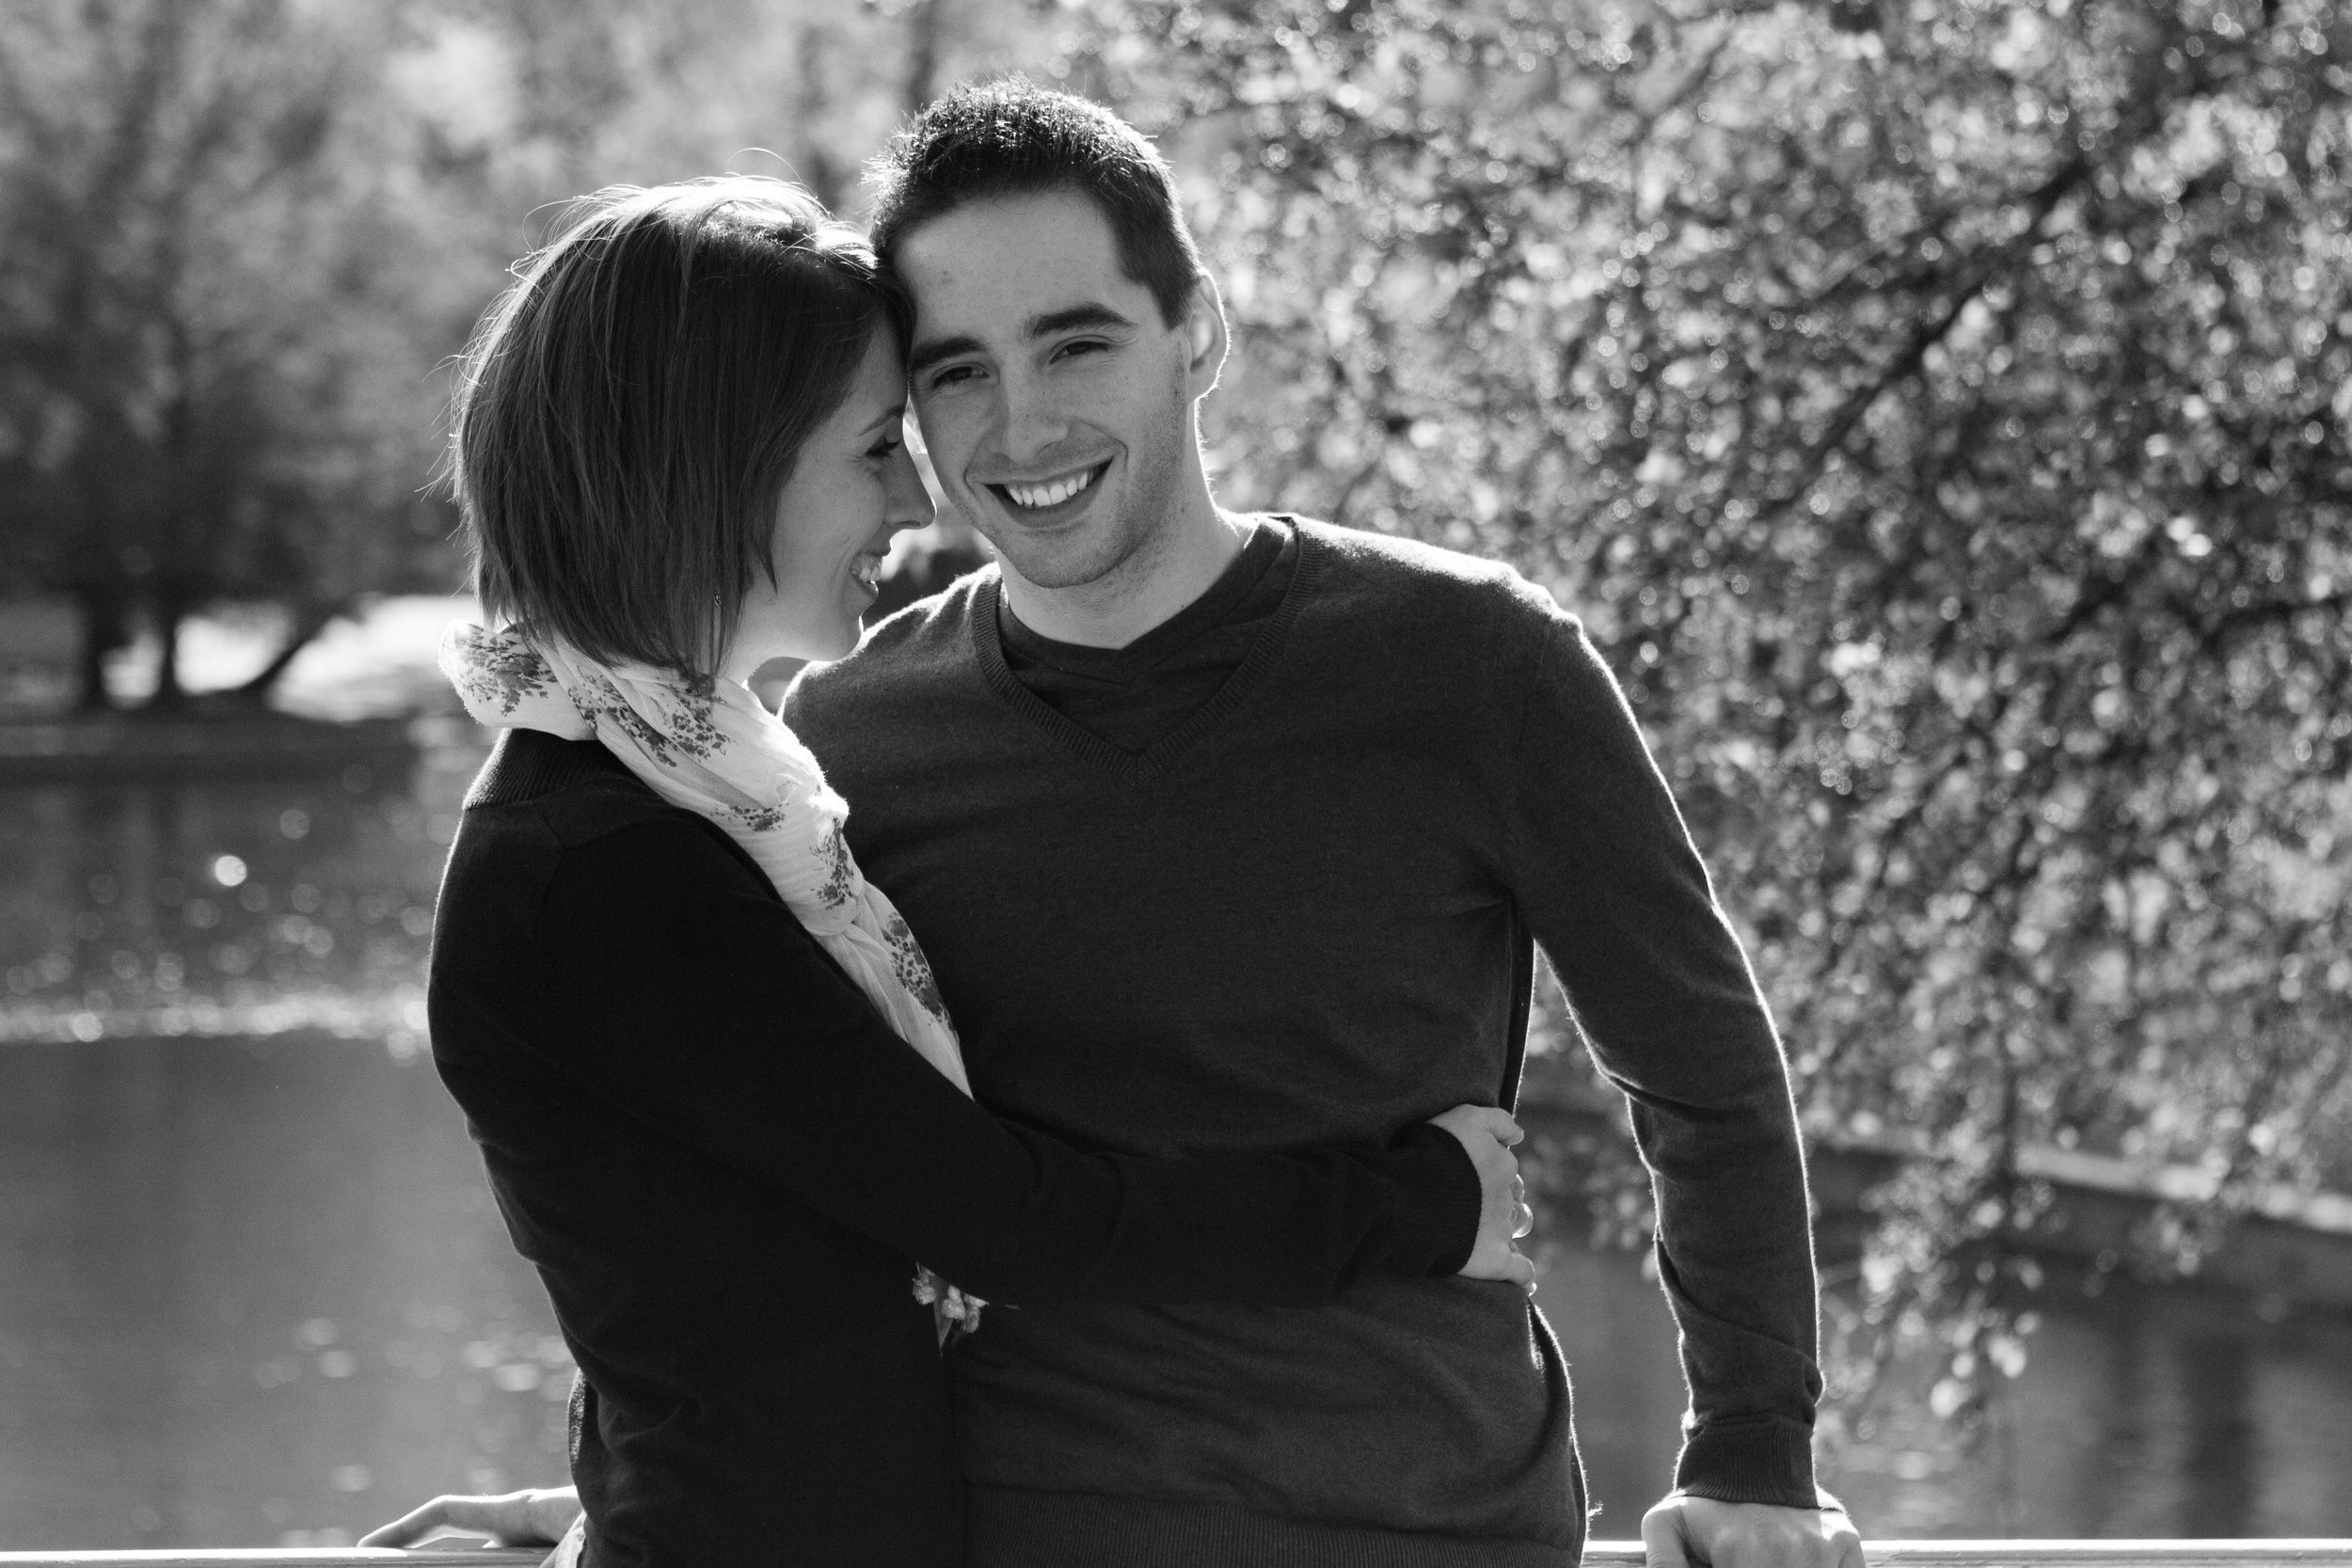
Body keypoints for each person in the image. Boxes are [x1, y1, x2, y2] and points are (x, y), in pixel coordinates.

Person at [368, 174, 1541, 1568]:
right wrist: (1420, 1207)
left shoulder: (695, 795)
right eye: (874, 447)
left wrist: (608, 1487)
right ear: (721, 462)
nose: (920, 498)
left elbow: (728, 1294)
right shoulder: (605, 866)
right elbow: (1007, 1222)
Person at [775, 82, 1871, 1568]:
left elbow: (1705, 1076)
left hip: (1429, 1532)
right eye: (957, 372)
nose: (1019, 424)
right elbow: (759, 1179)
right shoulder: (853, 739)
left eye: (1077, 341)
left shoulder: (1475, 663)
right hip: (1008, 1535)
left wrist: (1753, 1454)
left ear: (1199, 334)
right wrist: (662, 1489)